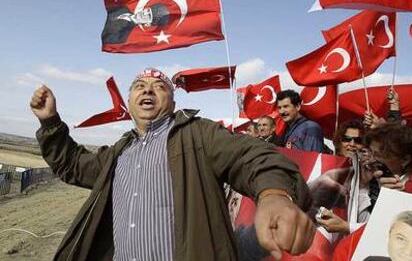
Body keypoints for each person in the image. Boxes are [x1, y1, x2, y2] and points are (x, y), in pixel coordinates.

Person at [30, 68, 316, 261]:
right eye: (140, 87)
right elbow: (74, 165)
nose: (148, 91)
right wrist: (50, 122)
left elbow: (251, 156)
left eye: (159, 87)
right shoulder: (119, 152)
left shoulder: (199, 135)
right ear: (130, 100)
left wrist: (275, 195)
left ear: (172, 98)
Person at [332, 122, 412, 260]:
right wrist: (363, 184)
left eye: (379, 154)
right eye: (371, 152)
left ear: (405, 160)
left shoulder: (408, 189)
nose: (372, 159)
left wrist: (395, 199)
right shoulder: (373, 178)